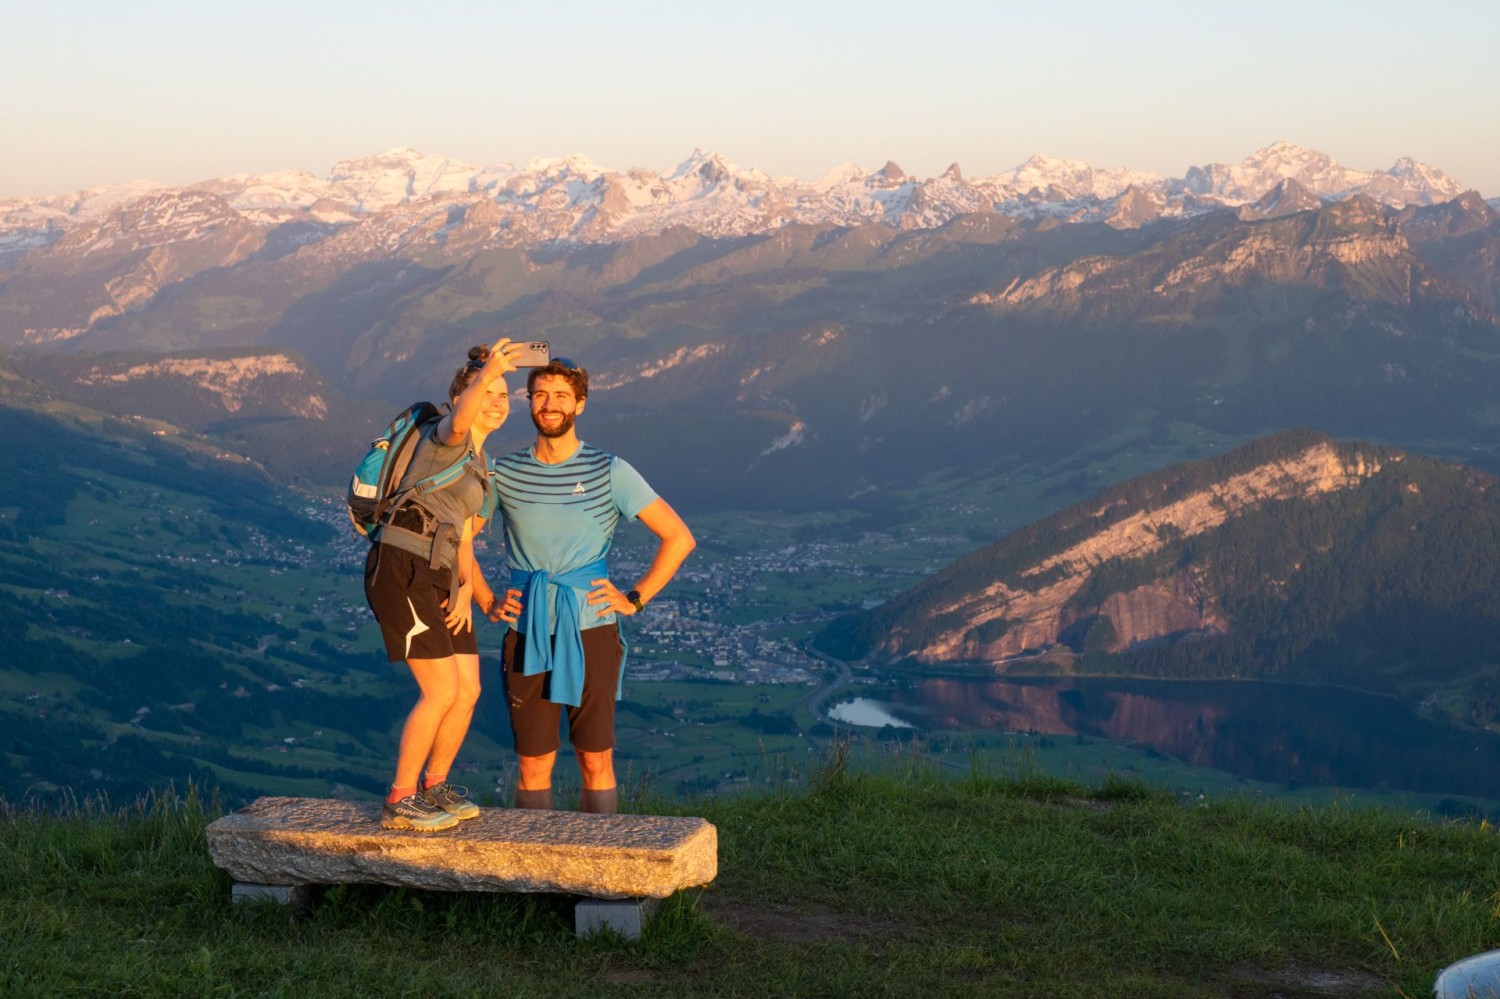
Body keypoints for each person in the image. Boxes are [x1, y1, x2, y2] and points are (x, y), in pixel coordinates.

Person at [488, 356, 695, 814]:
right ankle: (535, 878)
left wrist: (635, 598)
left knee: (595, 758)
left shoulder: (609, 470)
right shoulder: (504, 472)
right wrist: (484, 597)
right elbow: (460, 534)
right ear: (529, 403)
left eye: (562, 395)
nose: (550, 404)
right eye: (540, 395)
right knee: (532, 764)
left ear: (579, 403)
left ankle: (597, 876)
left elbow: (679, 537)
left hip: (592, 629)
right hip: (527, 629)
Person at [364, 338, 528, 831]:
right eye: (489, 393)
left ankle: (433, 788)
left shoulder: (482, 469)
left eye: (504, 396)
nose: (497, 403)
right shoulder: (445, 436)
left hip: (439, 577)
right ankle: (400, 798)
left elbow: (462, 540)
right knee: (439, 691)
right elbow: (460, 420)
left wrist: (473, 595)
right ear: (464, 395)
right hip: (400, 568)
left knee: (469, 690)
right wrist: (488, 371)